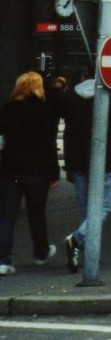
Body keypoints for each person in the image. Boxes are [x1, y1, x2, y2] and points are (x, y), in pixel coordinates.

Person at [62, 71, 111, 274]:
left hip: (79, 161)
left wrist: (69, 165)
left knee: (86, 209)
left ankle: (83, 255)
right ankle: (77, 239)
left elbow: (69, 133)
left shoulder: (73, 98)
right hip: (104, 160)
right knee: (104, 207)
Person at [0, 72, 62, 275]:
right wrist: (54, 172)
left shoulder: (7, 109)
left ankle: (3, 260)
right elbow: (49, 145)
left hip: (11, 170)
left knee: (7, 216)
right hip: (37, 171)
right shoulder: (45, 111)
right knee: (37, 213)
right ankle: (40, 253)